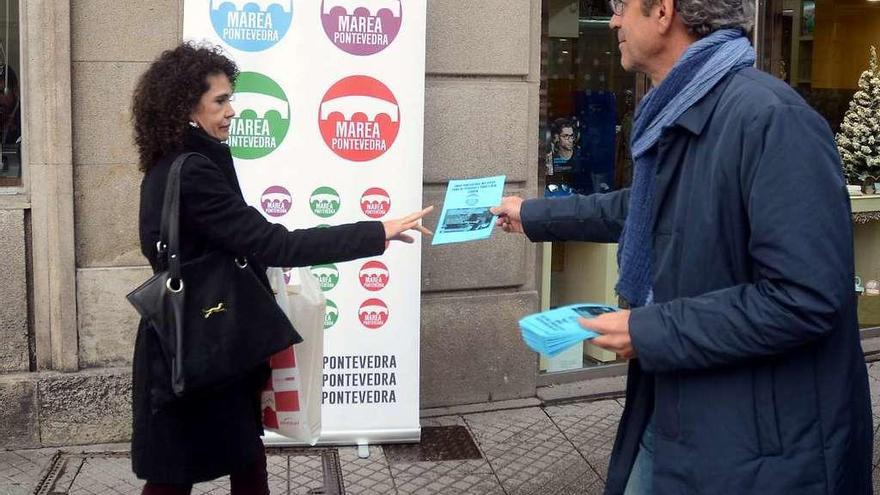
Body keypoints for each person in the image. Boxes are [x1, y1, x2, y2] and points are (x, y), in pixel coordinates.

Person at [492, 0, 872, 493]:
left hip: (763, 443)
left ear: (664, 11)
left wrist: (648, 330)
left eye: (621, 6)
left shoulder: (772, 119)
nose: (612, 21)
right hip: (686, 409)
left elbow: (804, 297)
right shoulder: (686, 106)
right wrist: (533, 213)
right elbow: (646, 209)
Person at [130, 43, 432, 494]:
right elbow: (275, 244)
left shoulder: (176, 162)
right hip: (202, 345)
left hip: (206, 339)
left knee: (237, 463)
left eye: (231, 98)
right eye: (220, 101)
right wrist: (375, 232)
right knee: (180, 477)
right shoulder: (192, 171)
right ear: (185, 108)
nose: (232, 111)